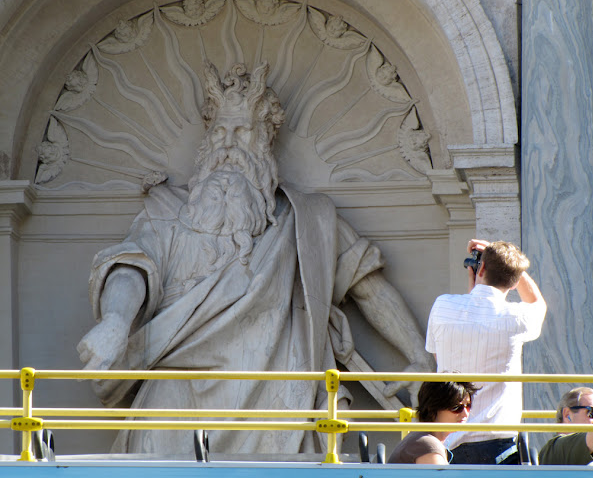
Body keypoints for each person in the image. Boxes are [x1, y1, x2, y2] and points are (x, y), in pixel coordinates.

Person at [76, 61, 431, 457]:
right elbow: (130, 268)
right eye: (221, 132)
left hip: (278, 394)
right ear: (208, 140)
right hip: (178, 394)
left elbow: (368, 290)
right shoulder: (167, 212)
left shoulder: (307, 219)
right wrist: (115, 320)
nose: (229, 144)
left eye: (242, 132)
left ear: (264, 142)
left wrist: (417, 356)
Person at [425, 239, 547, 464]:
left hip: (447, 441)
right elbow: (538, 303)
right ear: (513, 284)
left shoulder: (442, 305)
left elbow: (438, 357)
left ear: (480, 268)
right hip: (499, 443)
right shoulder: (516, 317)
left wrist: (475, 293)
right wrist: (513, 269)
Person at [388, 380, 480, 464]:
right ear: (433, 408)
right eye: (456, 407)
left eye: (468, 406)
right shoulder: (427, 445)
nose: (465, 413)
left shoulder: (422, 439)